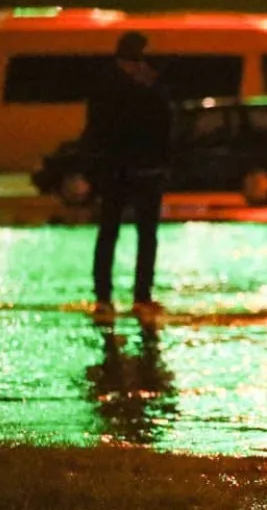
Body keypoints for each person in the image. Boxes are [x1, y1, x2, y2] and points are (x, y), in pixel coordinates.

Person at [86, 31, 172, 322]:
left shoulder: (112, 85)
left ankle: (118, 297)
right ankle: (126, 297)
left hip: (127, 169)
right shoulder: (123, 88)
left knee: (120, 233)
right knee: (130, 233)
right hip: (130, 169)